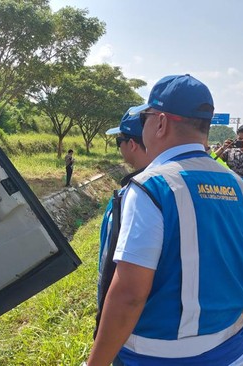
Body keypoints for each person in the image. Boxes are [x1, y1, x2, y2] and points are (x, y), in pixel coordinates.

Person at [87, 74, 243, 366]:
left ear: (160, 122)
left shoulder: (150, 188)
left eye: (145, 118)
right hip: (234, 353)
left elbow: (129, 294)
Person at [95, 108, 151, 366]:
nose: (119, 149)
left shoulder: (141, 197)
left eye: (119, 142)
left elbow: (129, 290)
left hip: (133, 339)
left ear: (131, 144)